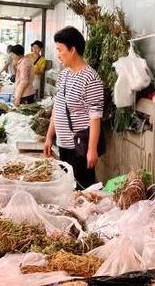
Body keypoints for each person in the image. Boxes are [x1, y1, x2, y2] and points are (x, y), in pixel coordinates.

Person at [44, 27, 104, 189]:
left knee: (82, 191)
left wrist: (92, 150)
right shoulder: (64, 74)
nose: (58, 54)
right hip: (63, 144)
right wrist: (50, 136)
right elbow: (58, 107)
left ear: (72, 50)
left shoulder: (90, 78)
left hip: (80, 148)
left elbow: (95, 117)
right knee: (66, 189)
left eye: (60, 50)